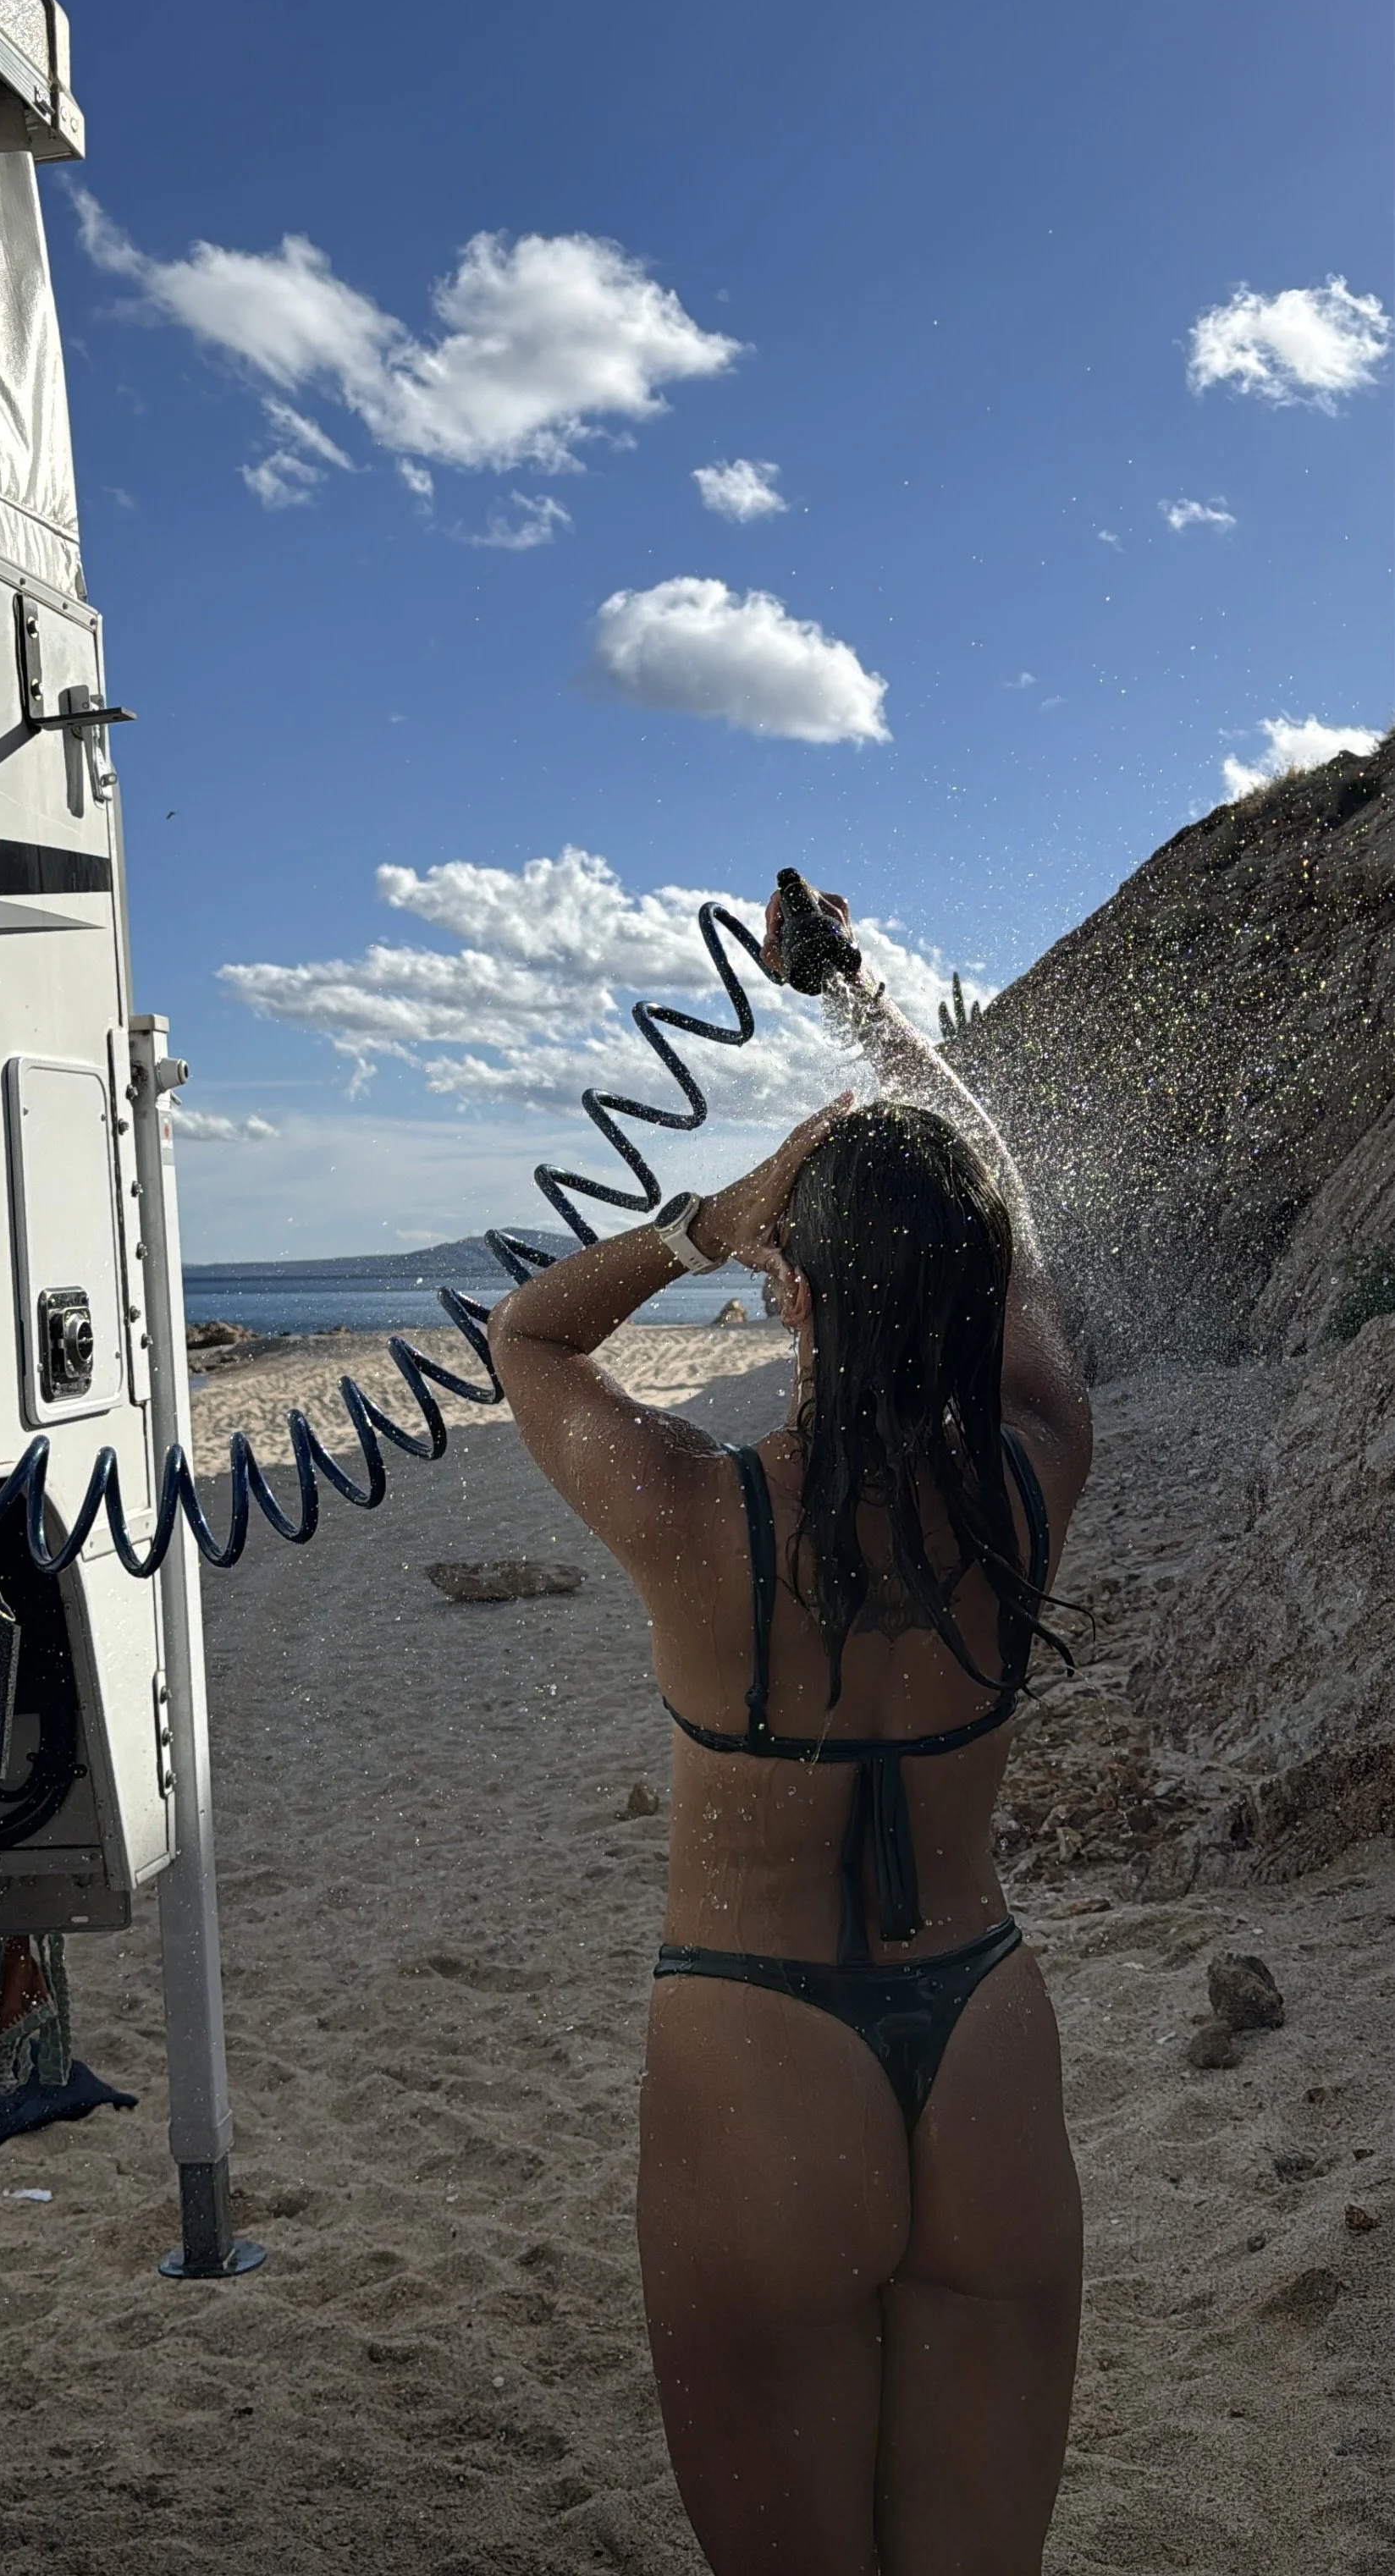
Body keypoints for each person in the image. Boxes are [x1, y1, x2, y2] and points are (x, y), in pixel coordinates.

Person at [488, 887, 1092, 2576]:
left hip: (763, 2057)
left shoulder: (697, 1518)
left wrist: (704, 1222)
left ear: (790, 1290)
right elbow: (1007, 1217)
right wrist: (855, 998)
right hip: (979, 2030)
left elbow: (528, 1331)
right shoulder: (1037, 1468)